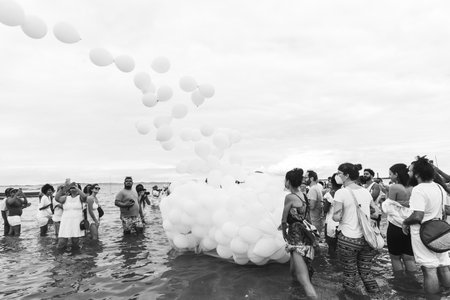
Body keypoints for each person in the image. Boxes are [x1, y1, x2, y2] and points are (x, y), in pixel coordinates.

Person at [402, 157, 450, 296]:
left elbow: (418, 216)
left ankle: (433, 298)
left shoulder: (418, 189)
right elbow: (445, 209)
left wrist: (405, 222)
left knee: (429, 269)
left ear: (417, 174)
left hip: (423, 232)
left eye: (410, 171)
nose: (409, 174)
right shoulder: (439, 187)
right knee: (444, 266)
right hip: (440, 231)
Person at [332, 163, 380, 295]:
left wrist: (337, 215)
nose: (338, 176)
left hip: (348, 239)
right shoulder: (365, 191)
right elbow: (376, 212)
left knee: (349, 273)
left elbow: (336, 217)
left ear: (346, 175)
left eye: (339, 173)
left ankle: (351, 297)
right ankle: (377, 296)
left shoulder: (341, 192)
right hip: (367, 239)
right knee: (366, 273)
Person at [281, 168, 318, 298]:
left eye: (285, 179)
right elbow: (306, 218)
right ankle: (296, 295)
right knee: (293, 273)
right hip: (306, 238)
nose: (284, 182)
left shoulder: (289, 197)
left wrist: (284, 234)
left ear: (289, 181)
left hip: (296, 242)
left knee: (304, 281)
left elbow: (284, 220)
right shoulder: (303, 195)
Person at [381, 163, 416, 275]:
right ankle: (412, 282)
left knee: (395, 257)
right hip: (411, 225)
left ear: (396, 174)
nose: (390, 177)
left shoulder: (394, 187)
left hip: (396, 226)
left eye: (390, 174)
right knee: (409, 258)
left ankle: (400, 283)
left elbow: (388, 207)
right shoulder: (413, 188)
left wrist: (387, 193)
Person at [55, 181, 87, 250]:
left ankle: (75, 257)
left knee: (75, 242)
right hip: (66, 221)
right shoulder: (66, 198)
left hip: (76, 221)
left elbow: (84, 197)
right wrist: (63, 188)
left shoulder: (80, 198)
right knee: (62, 242)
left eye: (74, 187)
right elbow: (57, 198)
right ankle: (59, 258)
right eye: (71, 187)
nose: (73, 188)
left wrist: (77, 188)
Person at [323, 173, 342, 257]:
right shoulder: (344, 193)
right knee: (341, 246)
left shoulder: (329, 195)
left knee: (331, 246)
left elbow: (325, 209)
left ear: (332, 182)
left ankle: (333, 265)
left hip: (331, 222)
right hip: (342, 222)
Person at [305, 170, 324, 235]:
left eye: (306, 177)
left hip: (314, 222)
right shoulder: (317, 188)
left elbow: (312, 206)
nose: (305, 179)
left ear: (311, 178)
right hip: (317, 221)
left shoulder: (312, 189)